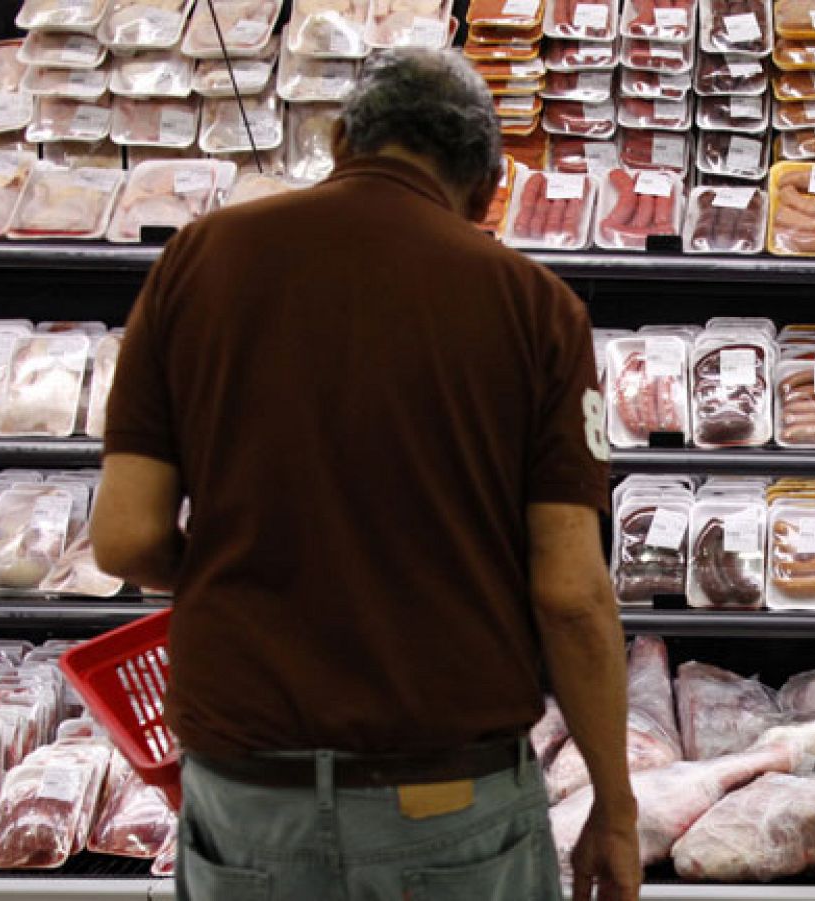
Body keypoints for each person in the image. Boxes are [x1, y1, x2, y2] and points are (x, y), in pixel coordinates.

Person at [90, 49, 641, 901]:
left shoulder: (198, 260)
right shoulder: (536, 307)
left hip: (250, 793)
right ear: (487, 191)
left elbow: (125, 538)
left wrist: (254, 572)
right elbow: (570, 593)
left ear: (342, 139)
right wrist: (615, 805)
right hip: (447, 795)